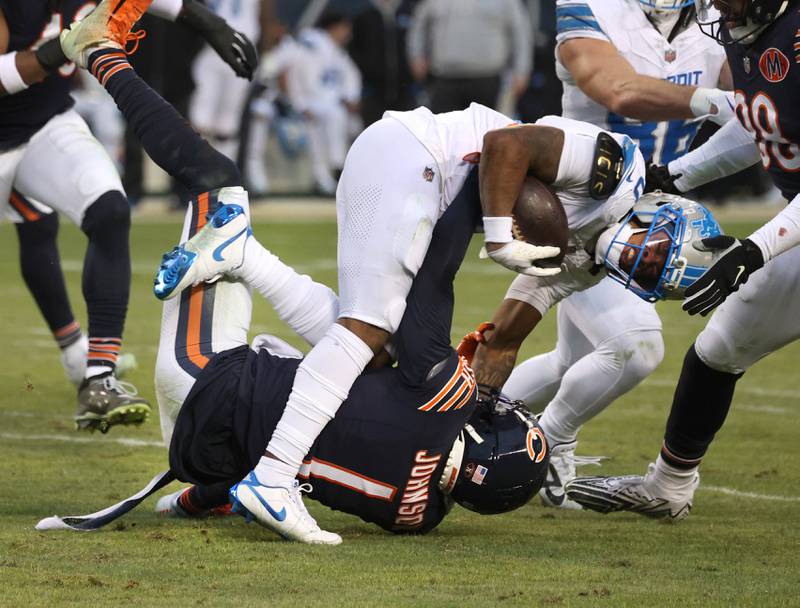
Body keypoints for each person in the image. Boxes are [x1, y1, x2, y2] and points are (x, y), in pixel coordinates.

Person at [34, 5, 550, 538]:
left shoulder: (450, 401)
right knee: (366, 353)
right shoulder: (416, 517)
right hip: (201, 449)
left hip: (205, 372)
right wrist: (195, 497)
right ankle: (246, 261)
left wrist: (471, 187)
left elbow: (431, 288)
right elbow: (348, 445)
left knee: (219, 183)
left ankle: (101, 54)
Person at [565, 0, 800, 521]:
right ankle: (669, 486)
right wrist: (673, 174)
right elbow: (759, 124)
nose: (717, 5)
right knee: (721, 347)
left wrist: (756, 247)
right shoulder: (752, 31)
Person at [497, 0, 734, 510]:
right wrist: (722, 102)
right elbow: (619, 91)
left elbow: (768, 95)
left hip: (649, 217)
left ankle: (457, 424)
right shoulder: (590, 8)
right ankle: (550, 441)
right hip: (581, 213)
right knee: (636, 344)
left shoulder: (720, 20)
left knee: (570, 363)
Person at [0, 0, 256, 431]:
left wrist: (207, 22)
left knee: (110, 211)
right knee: (41, 229)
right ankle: (75, 354)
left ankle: (97, 379)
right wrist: (61, 49)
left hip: (45, 122)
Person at [407, 0, 532, 113]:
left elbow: (520, 31)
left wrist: (522, 70)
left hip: (488, 80)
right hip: (445, 80)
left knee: (486, 135)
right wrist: (416, 56)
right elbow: (419, 24)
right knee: (444, 133)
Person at [288, 12, 362, 195]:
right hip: (312, 103)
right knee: (331, 119)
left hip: (329, 104)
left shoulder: (337, 51)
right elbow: (294, 73)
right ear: (335, 27)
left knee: (350, 122)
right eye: (345, 28)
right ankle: (333, 170)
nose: (348, 34)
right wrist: (301, 104)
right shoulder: (312, 42)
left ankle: (337, 171)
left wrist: (350, 97)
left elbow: (351, 77)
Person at [188, 0, 262, 162]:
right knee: (202, 118)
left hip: (242, 50)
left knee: (228, 122)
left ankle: (225, 178)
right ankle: (194, 173)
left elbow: (265, 13)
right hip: (213, 49)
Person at [349, 0, 418, 127]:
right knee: (374, 137)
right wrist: (368, 71)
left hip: (405, 90)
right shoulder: (364, 15)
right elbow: (353, 50)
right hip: (373, 92)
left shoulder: (409, 12)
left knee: (407, 137)